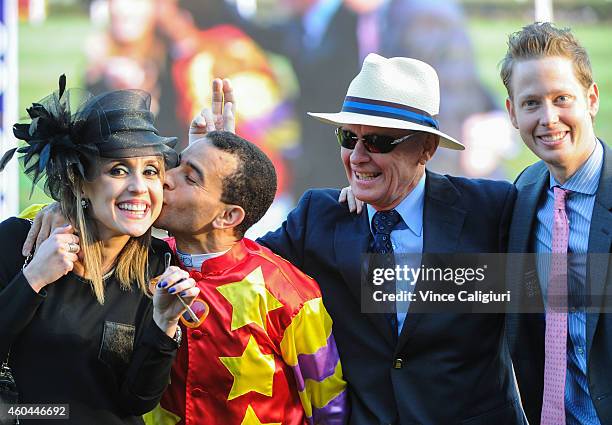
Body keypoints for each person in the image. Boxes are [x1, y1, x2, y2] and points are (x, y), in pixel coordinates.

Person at [20, 101, 347, 423]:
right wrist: (59, 208)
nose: (162, 180)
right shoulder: (140, 257)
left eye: (189, 178)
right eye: (174, 164)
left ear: (228, 216)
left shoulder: (289, 294)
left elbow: (329, 409)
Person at [256, 54, 524, 424]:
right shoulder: (320, 216)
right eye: (349, 138)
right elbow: (236, 267)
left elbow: (569, 284)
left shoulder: (490, 209)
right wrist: (221, 166)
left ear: (426, 149)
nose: (358, 157)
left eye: (379, 142)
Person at [0, 76, 199, 425]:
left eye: (150, 171)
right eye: (118, 170)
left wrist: (164, 323)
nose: (138, 188)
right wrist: (32, 279)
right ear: (80, 183)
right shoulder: (21, 242)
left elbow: (136, 400)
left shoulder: (158, 265)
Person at [501, 23, 612, 425]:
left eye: (561, 98)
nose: (549, 118)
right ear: (513, 113)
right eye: (532, 103)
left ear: (592, 98)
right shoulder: (523, 193)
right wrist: (367, 191)